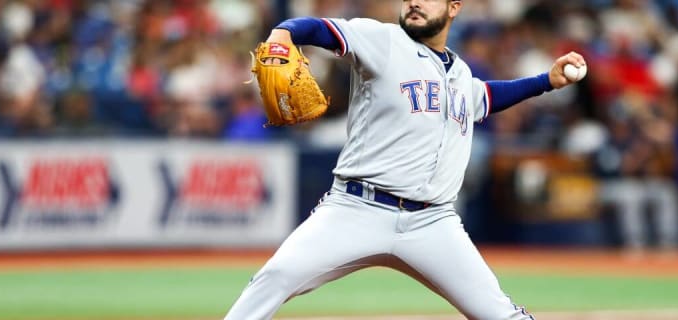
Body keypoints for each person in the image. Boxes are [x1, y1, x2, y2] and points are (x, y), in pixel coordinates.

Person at [224, 0, 585, 318]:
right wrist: (284, 32)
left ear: (453, 7)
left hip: (433, 222)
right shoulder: (381, 40)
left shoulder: (459, 72)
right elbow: (322, 30)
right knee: (274, 279)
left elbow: (484, 97)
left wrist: (545, 81)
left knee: (499, 313)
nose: (414, 2)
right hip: (355, 209)